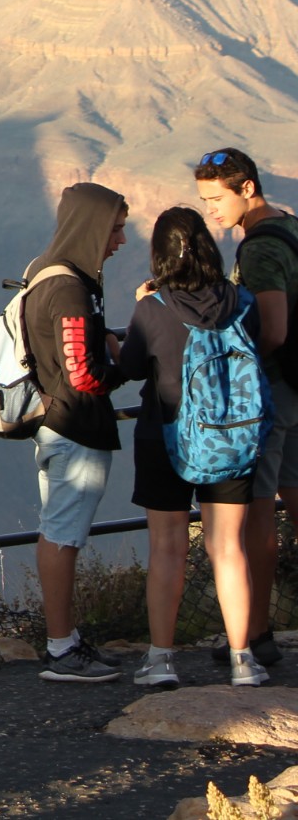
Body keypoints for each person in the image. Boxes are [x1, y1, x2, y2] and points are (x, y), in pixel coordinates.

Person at [120, 207, 267, 689]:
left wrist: (137, 307)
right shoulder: (243, 301)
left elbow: (133, 367)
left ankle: (161, 661)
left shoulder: (153, 308)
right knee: (229, 548)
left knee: (167, 548)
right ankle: (243, 660)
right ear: (207, 245)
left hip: (166, 437)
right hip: (232, 439)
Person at [15, 181, 130, 682]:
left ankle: (68, 641)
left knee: (60, 530)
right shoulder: (68, 288)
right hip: (74, 428)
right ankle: (62, 649)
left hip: (59, 424)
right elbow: (82, 372)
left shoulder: (50, 275)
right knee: (62, 534)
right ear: (92, 227)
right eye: (115, 229)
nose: (120, 240)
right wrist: (131, 365)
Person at [197, 147, 298, 667]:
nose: (211, 210)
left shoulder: (258, 249)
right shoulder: (292, 226)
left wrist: (230, 360)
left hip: (274, 391)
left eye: (217, 198)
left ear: (247, 189)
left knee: (259, 512)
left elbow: (274, 330)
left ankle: (256, 632)